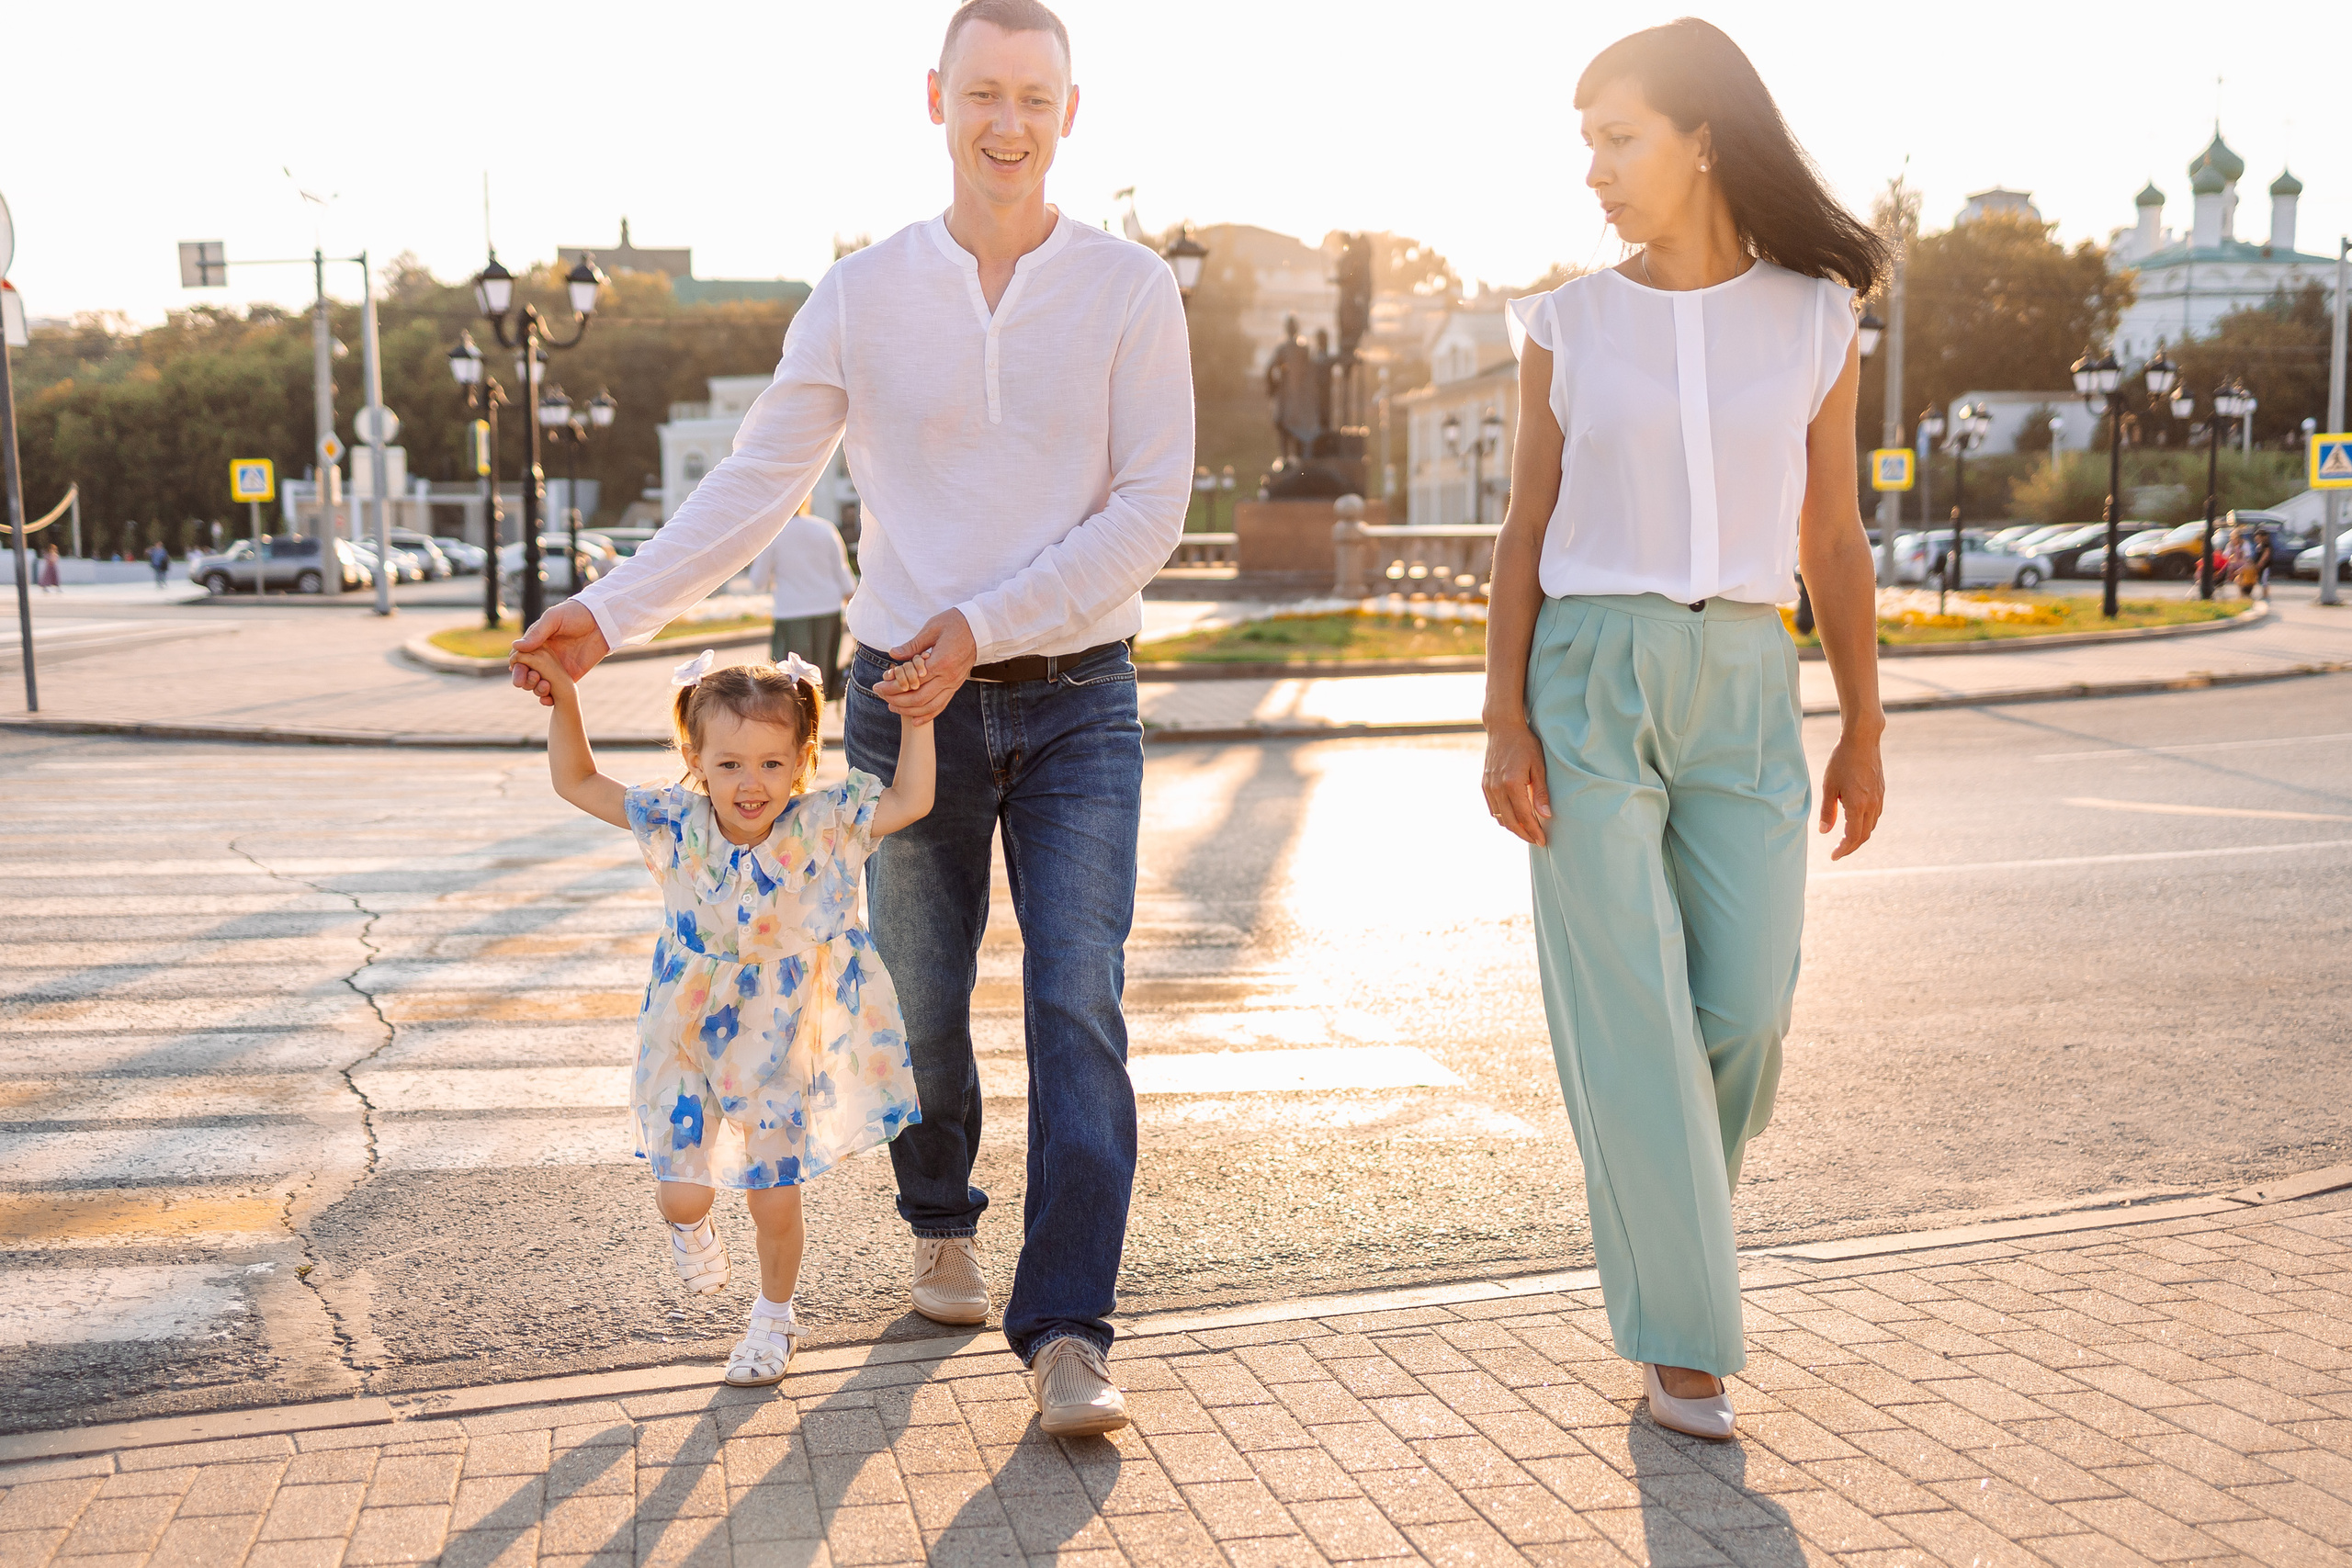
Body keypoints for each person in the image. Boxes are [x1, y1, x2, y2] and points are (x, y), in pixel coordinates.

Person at [505, 0, 1191, 1437]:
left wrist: (983, 623)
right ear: (934, 97)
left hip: (1079, 701)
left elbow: (1150, 510)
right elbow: (757, 483)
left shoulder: (1130, 288)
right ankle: (939, 1214)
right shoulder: (862, 292)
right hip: (895, 702)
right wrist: (610, 613)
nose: (1009, 122)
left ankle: (1066, 1325)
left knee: (1078, 999)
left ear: (1075, 110)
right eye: (983, 93)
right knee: (922, 1001)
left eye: (1036, 97)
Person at [1479, 17, 1887, 1441]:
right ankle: (1683, 1342)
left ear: (1701, 136)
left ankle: (1669, 1231)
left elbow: (1833, 537)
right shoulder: (1565, 321)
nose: (1594, 170)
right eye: (1585, 143)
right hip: (1589, 673)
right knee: (1631, 1010)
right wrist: (1500, 721)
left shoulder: (1820, 314)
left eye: (1618, 137)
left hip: (1748, 680)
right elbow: (1526, 526)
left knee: (1748, 1005)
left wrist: (1865, 726)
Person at [510, 643, 936, 1385]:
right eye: (731, 762)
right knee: (683, 1191)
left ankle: (774, 1318)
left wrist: (920, 719)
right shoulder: (675, 824)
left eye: (772, 763)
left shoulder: (826, 826)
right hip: (685, 1039)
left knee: (774, 1199)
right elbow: (576, 779)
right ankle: (692, 1225)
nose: (751, 783)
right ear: (694, 756)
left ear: (802, 762)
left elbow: (912, 800)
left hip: (781, 1049)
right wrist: (568, 699)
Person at [750, 501, 858, 700]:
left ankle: (793, 730)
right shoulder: (826, 529)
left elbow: (758, 581)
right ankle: (816, 728)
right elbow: (847, 583)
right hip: (828, 612)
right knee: (819, 684)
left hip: (791, 613)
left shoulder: (773, 533)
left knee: (785, 686)